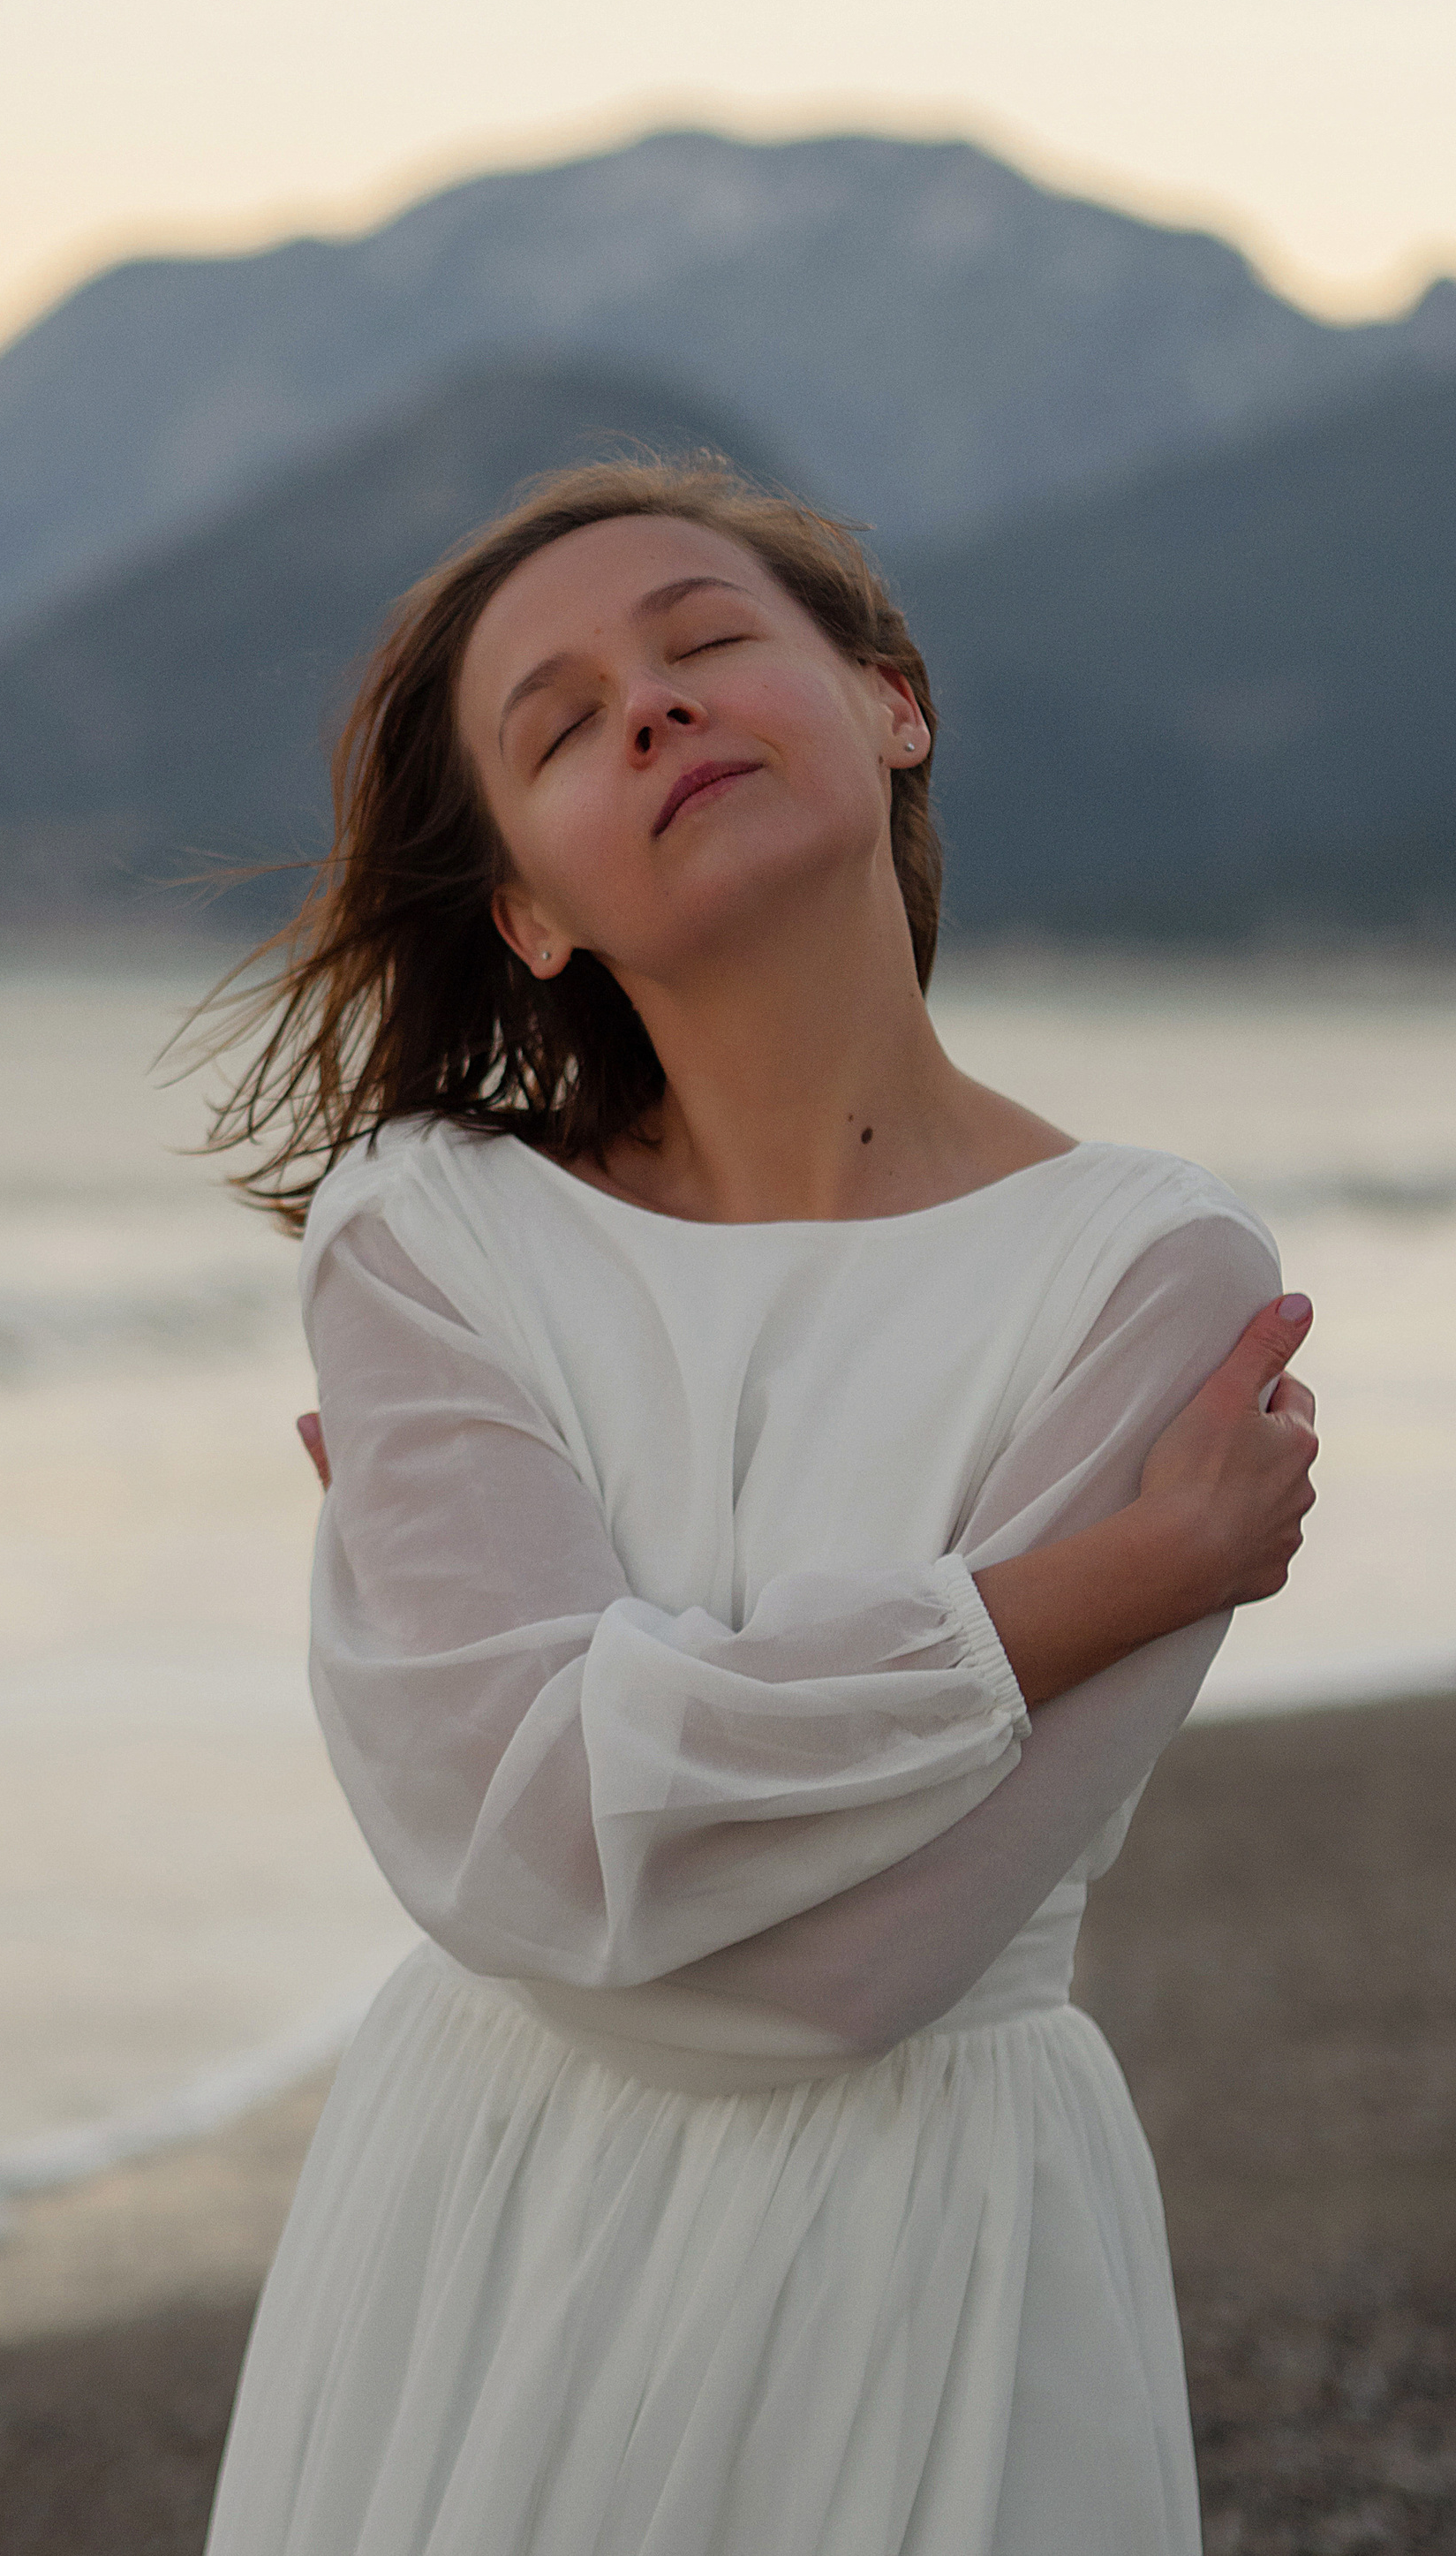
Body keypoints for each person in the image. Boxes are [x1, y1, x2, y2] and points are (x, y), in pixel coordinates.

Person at [195, 458, 1317, 2556]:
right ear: (526, 903)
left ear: (886, 705)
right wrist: (1090, 1590)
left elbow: (827, 1984)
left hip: (927, 2239)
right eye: (555, 721)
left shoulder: (1152, 1275)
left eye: (704, 643)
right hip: (486, 2225)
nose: (647, 704)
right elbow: (522, 1850)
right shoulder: (428, 1231)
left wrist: (598, 1776)